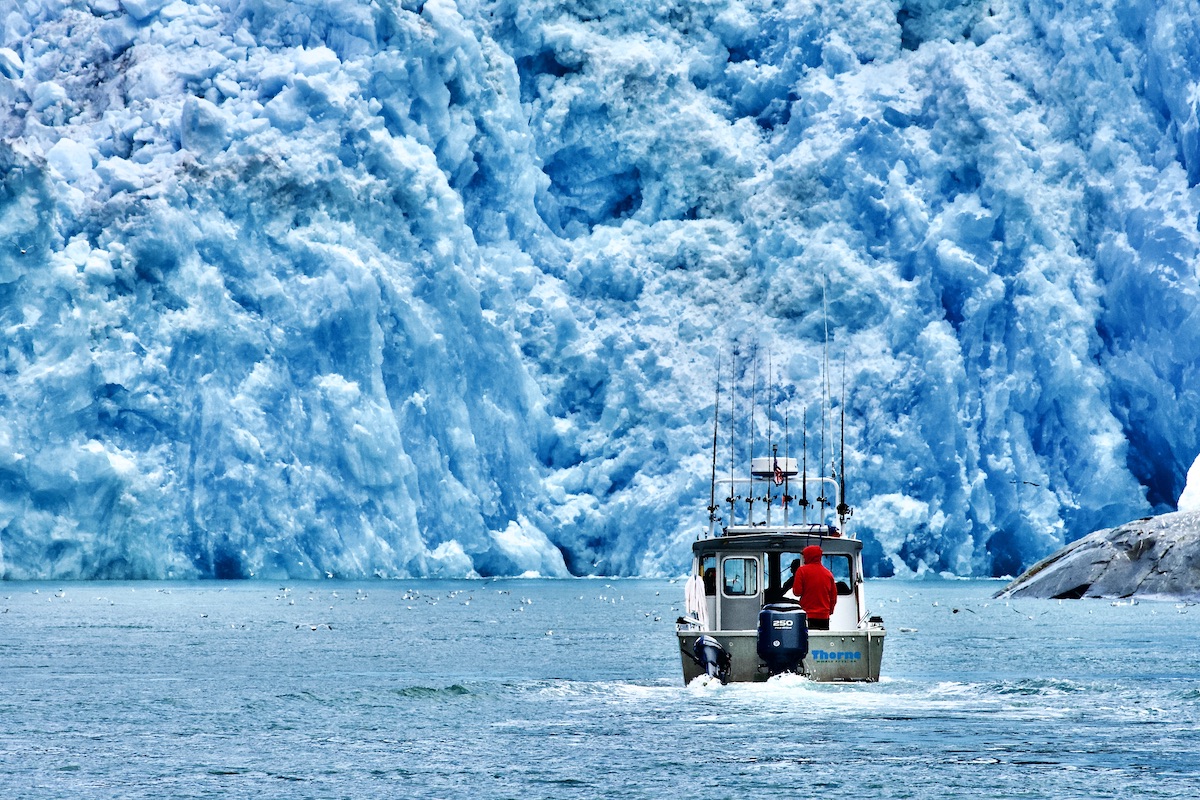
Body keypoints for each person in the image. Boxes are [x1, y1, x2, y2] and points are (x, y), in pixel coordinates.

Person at [791, 545, 837, 629]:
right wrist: (830, 611)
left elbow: (797, 592)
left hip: (807, 614)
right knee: (822, 640)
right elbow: (833, 597)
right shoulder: (828, 574)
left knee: (806, 640)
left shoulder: (801, 571)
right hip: (824, 616)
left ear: (808, 556)